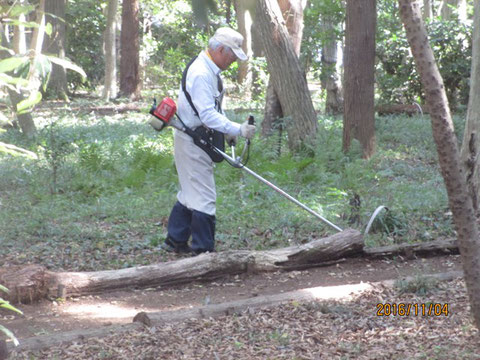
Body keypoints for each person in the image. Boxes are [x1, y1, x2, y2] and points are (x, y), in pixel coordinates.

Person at [161, 27, 256, 255]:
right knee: (204, 197)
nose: (233, 60)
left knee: (190, 192)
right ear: (220, 49)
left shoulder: (209, 70)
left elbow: (214, 108)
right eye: (232, 55)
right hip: (192, 139)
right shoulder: (202, 73)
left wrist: (227, 131)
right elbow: (207, 115)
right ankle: (203, 252)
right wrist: (238, 128)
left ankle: (175, 240)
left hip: (199, 137)